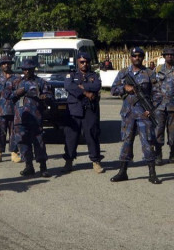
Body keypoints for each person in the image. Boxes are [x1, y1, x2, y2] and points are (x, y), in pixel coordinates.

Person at [110, 47, 161, 184]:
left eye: (139, 56)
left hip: (144, 114)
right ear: (130, 57)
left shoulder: (149, 74)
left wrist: (152, 109)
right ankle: (122, 172)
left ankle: (152, 173)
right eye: (134, 56)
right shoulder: (123, 73)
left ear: (142, 57)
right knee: (126, 142)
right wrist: (124, 88)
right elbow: (113, 90)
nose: (136, 58)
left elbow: (157, 93)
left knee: (147, 142)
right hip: (128, 114)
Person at [62, 52, 105, 174]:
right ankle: (68, 161)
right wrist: (85, 92)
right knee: (71, 137)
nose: (84, 64)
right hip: (74, 110)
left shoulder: (94, 75)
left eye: (86, 62)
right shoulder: (71, 75)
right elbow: (68, 86)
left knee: (92, 135)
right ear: (77, 62)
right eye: (82, 62)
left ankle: (96, 161)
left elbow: (97, 85)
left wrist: (81, 86)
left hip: (90, 110)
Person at [9, 59, 53, 178]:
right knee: (23, 141)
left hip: (35, 117)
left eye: (29, 69)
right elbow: (9, 97)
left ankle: (43, 167)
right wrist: (17, 93)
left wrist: (44, 96)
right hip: (20, 118)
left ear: (34, 69)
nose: (27, 71)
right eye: (24, 69)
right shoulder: (17, 82)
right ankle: (28, 166)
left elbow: (50, 95)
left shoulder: (40, 82)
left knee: (39, 141)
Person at [0, 56, 21, 164]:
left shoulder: (17, 78)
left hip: (14, 109)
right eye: (4, 63)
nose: (6, 65)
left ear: (11, 64)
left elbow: (21, 92)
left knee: (14, 132)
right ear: (1, 65)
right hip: (0, 109)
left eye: (8, 63)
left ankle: (14, 153)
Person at [153, 48, 174, 165]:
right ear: (164, 56)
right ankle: (158, 154)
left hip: (173, 106)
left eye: (172, 55)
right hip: (160, 107)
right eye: (168, 55)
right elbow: (153, 85)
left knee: (173, 132)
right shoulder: (158, 69)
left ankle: (172, 153)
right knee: (158, 131)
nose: (170, 57)